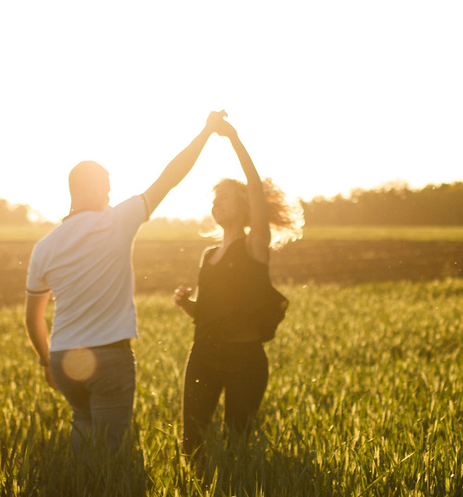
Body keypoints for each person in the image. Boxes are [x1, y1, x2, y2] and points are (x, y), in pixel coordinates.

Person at [24, 112, 228, 443]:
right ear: (91, 189)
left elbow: (33, 318)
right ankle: (106, 493)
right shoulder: (118, 220)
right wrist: (205, 133)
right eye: (105, 189)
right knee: (111, 452)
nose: (109, 196)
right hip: (108, 357)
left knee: (82, 423)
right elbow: (171, 176)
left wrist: (46, 361)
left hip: (62, 359)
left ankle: (74, 490)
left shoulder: (45, 247)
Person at [172, 116, 293, 470]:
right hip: (203, 356)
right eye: (214, 200)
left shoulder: (255, 245)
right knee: (191, 441)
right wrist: (186, 305)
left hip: (245, 359)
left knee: (237, 443)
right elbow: (209, 314)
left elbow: (255, 188)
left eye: (223, 199)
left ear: (243, 207)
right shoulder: (208, 256)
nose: (216, 205)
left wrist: (235, 141)